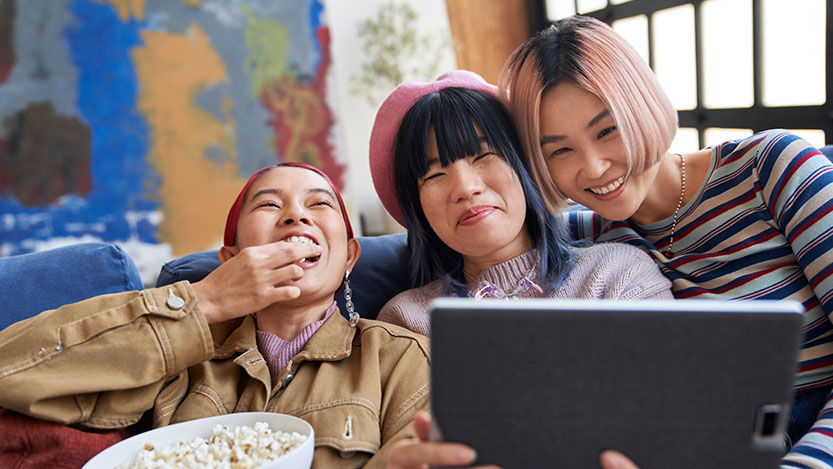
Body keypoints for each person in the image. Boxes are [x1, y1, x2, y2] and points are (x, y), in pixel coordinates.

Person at [499, 14, 833, 467]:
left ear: (642, 107)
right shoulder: (584, 237)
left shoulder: (772, 168)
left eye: (607, 130)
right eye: (560, 150)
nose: (594, 167)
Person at [0, 162, 430, 468]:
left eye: (319, 205)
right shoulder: (180, 360)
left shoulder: (400, 359)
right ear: (232, 258)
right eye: (268, 206)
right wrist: (207, 301)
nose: (296, 215)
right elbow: (11, 372)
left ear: (350, 256)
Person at [366, 70, 673, 468]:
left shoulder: (617, 276)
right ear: (417, 207)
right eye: (435, 174)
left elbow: (671, 423)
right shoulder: (408, 321)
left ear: (526, 166)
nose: (465, 187)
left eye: (483, 156)